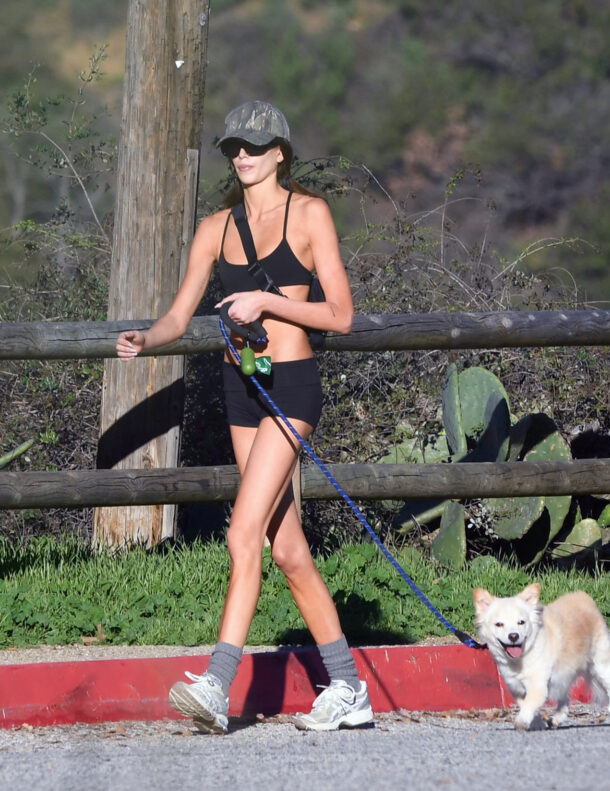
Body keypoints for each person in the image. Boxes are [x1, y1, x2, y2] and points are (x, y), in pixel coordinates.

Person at [116, 100, 373, 734]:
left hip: (290, 384)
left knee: (242, 533)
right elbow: (181, 316)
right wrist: (148, 339)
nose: (243, 156)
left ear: (280, 152)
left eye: (256, 146)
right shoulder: (215, 227)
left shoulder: (310, 214)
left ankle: (217, 682)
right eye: (235, 145)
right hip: (241, 388)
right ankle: (347, 686)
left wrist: (267, 301)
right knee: (284, 547)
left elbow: (340, 314)